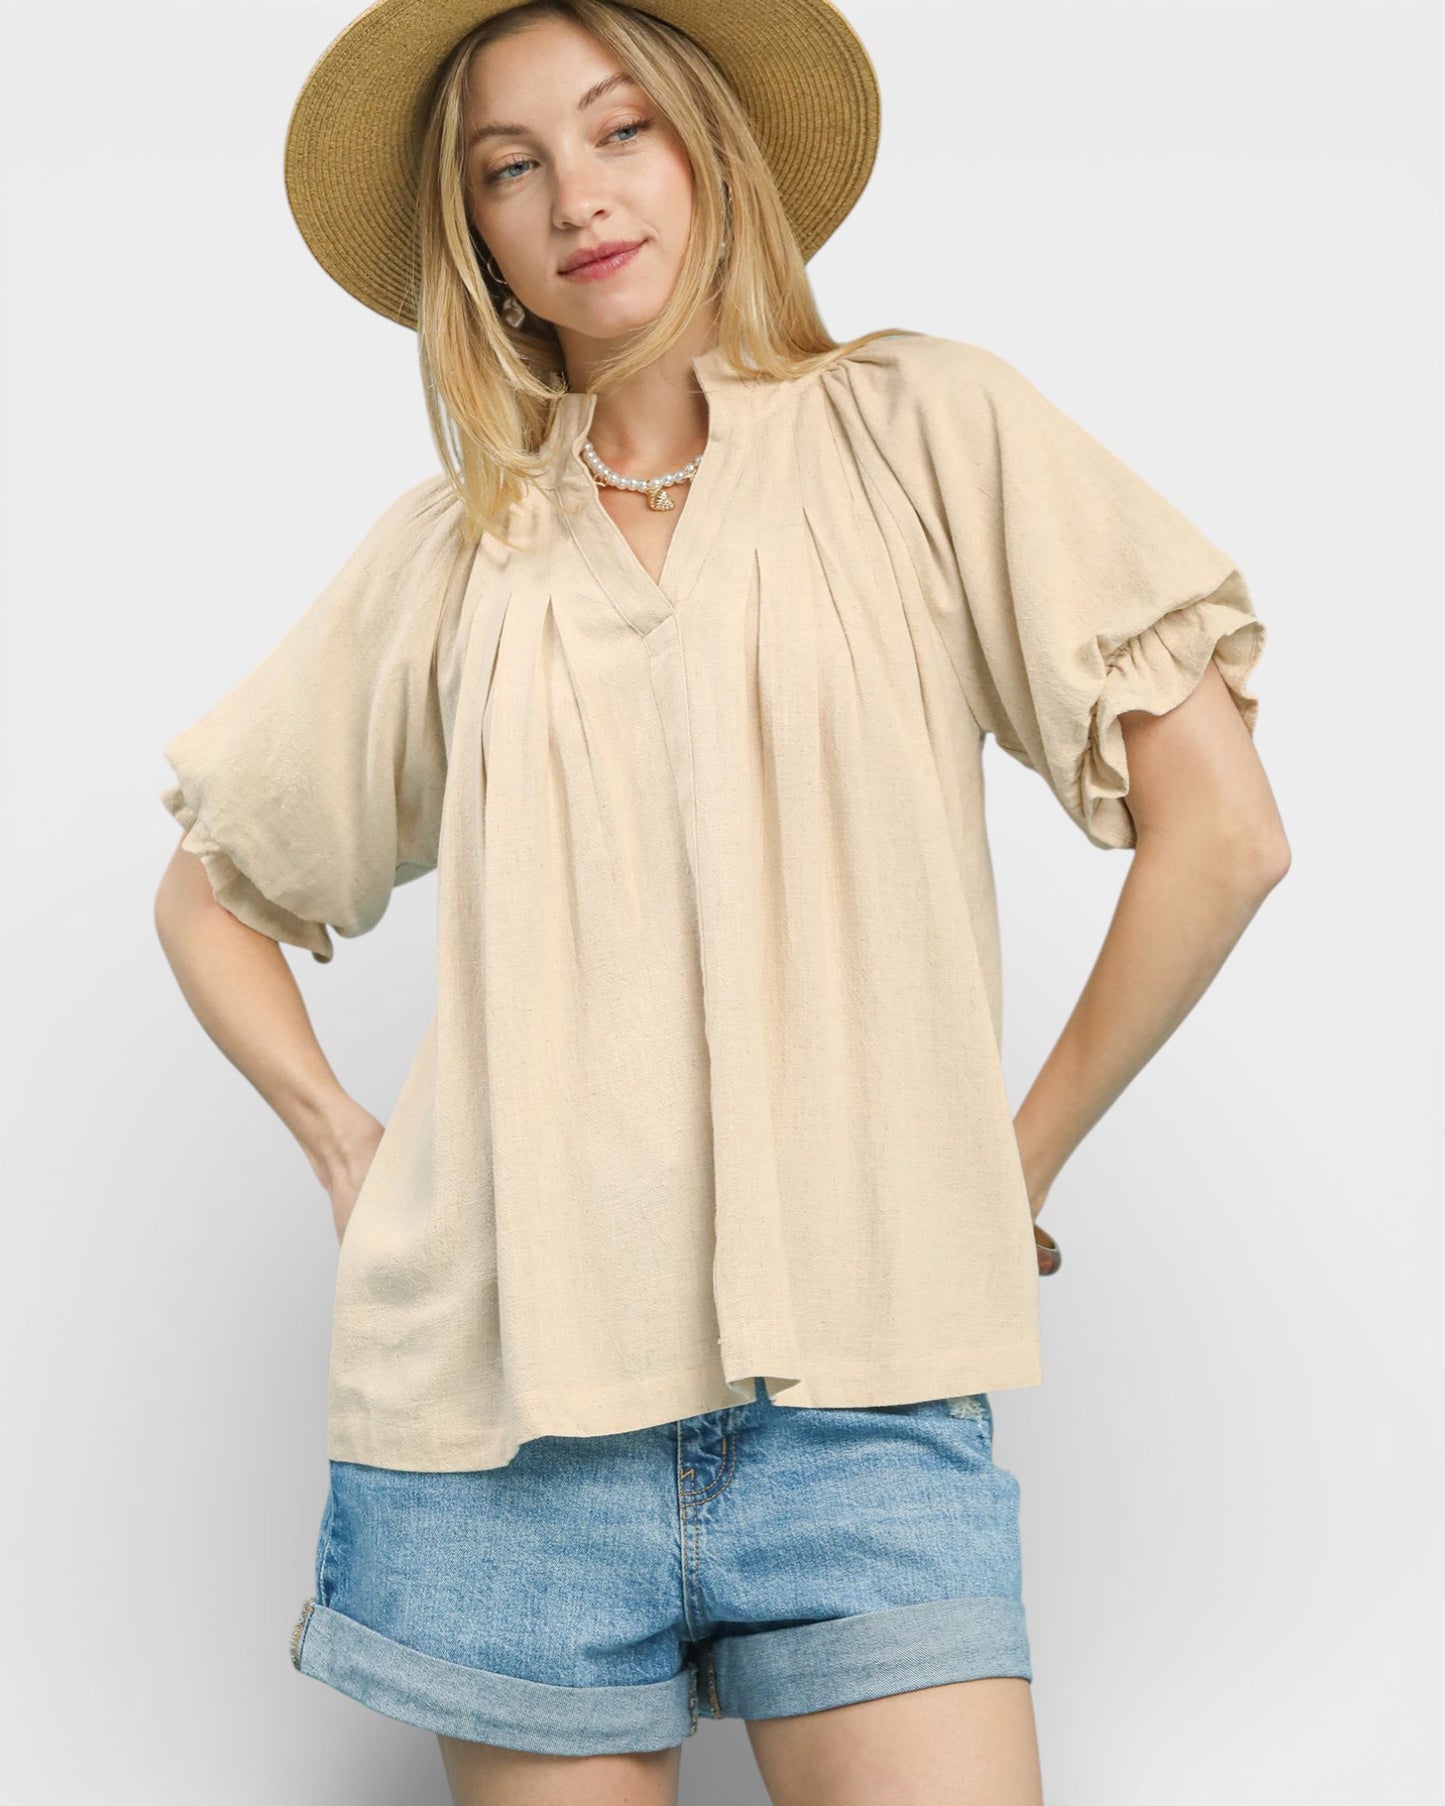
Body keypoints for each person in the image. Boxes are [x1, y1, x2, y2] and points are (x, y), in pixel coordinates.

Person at [153, 0, 1288, 1799]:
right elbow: (211, 893)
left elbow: (1219, 830)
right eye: (509, 167)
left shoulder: (927, 434)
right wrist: (348, 1147)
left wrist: (1010, 1165)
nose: (574, 198)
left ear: (709, 144)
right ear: (476, 234)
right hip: (499, 1433)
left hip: (861, 1410)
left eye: (620, 130)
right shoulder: (454, 552)